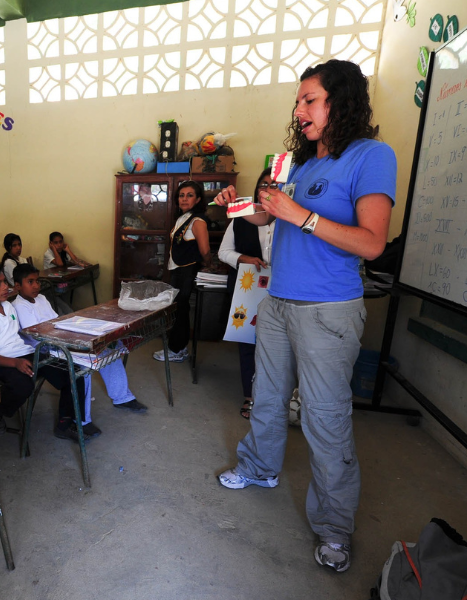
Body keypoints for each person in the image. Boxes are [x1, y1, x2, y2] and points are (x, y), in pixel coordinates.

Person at [214, 59, 396, 573]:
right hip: (279, 302)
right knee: (266, 398)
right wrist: (238, 207)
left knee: (324, 417)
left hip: (328, 311)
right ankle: (259, 468)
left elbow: (373, 242)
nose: (299, 110)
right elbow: (268, 217)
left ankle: (334, 526)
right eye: (298, 102)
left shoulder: (371, 156)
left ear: (341, 102)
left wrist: (304, 216)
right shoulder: (298, 163)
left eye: (309, 100)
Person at [0, 262, 89, 441]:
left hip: (24, 353)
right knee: (24, 385)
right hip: (2, 361)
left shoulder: (8, 306)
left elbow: (18, 336)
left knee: (73, 372)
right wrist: (16, 363)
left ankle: (65, 422)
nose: (5, 287)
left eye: (4, 282)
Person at [12, 263, 147, 421]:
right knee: (84, 365)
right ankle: (82, 420)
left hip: (60, 338)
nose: (36, 286)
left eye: (37, 281)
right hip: (45, 348)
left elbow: (57, 320)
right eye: (30, 282)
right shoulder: (19, 306)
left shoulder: (41, 298)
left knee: (107, 348)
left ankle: (122, 397)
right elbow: (38, 334)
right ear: (17, 286)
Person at [218, 169, 276, 419]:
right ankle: (250, 397)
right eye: (264, 184)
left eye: (275, 185)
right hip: (249, 288)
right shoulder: (241, 218)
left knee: (277, 346)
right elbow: (223, 252)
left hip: (281, 288)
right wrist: (245, 258)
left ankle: (276, 399)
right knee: (248, 343)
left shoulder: (290, 219)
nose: (268, 189)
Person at [152, 181, 211, 363]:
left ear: (198, 199)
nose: (184, 199)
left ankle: (176, 349)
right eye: (181, 195)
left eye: (189, 195)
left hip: (187, 271)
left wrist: (208, 265)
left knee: (180, 310)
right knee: (178, 310)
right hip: (177, 270)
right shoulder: (183, 218)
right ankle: (180, 347)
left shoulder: (197, 221)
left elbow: (205, 251)